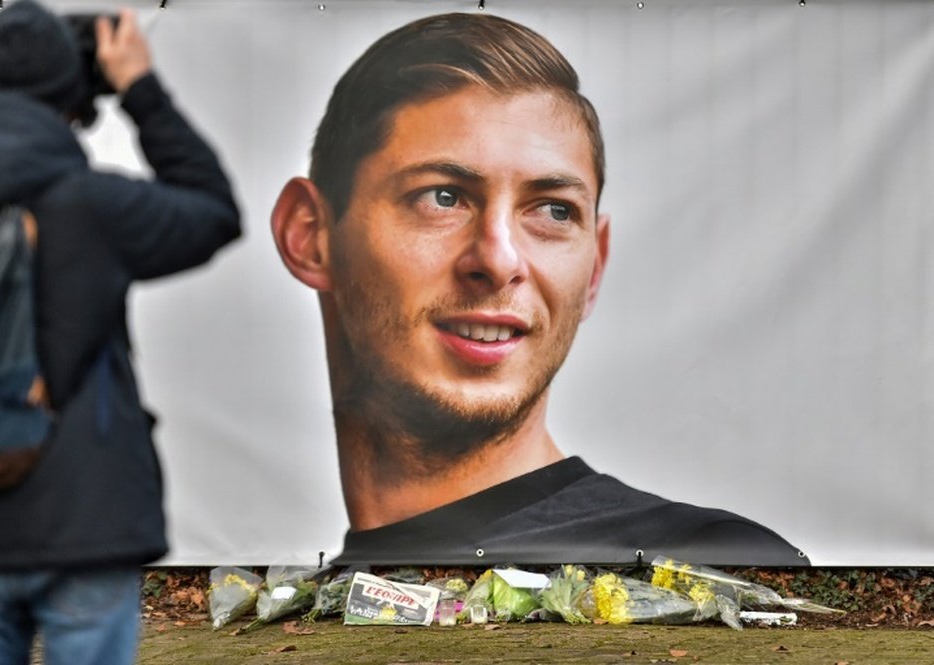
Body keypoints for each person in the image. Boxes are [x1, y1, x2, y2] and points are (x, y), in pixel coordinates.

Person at [271, 12, 806, 567]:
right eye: (442, 197)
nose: (499, 261)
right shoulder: (299, 611)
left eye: (553, 211)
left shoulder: (703, 567)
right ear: (309, 236)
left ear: (594, 267)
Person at [0, 2, 240, 664]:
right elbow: (213, 209)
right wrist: (140, 89)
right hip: (84, 514)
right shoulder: (93, 205)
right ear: (69, 90)